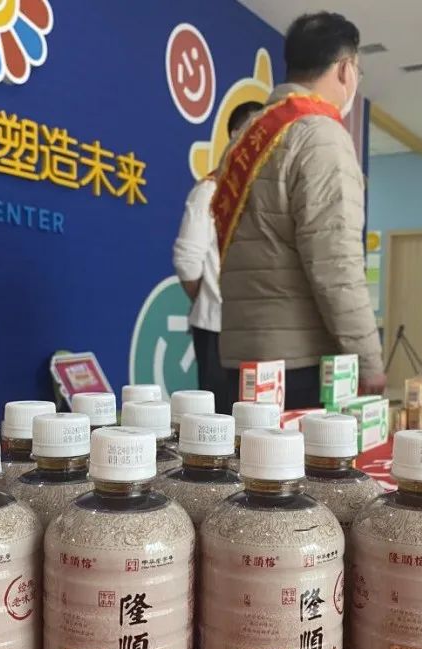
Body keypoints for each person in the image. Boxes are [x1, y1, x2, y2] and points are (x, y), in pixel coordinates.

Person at [213, 12, 385, 409]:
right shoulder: (320, 135)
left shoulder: (244, 139)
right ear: (345, 69)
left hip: (242, 356)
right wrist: (369, 359)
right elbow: (336, 264)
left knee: (246, 449)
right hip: (300, 364)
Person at [172, 101, 263, 414]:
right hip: (217, 328)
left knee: (255, 420)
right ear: (236, 135)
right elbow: (187, 261)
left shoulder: (263, 192)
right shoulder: (211, 190)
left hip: (258, 330)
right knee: (220, 419)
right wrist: (207, 298)